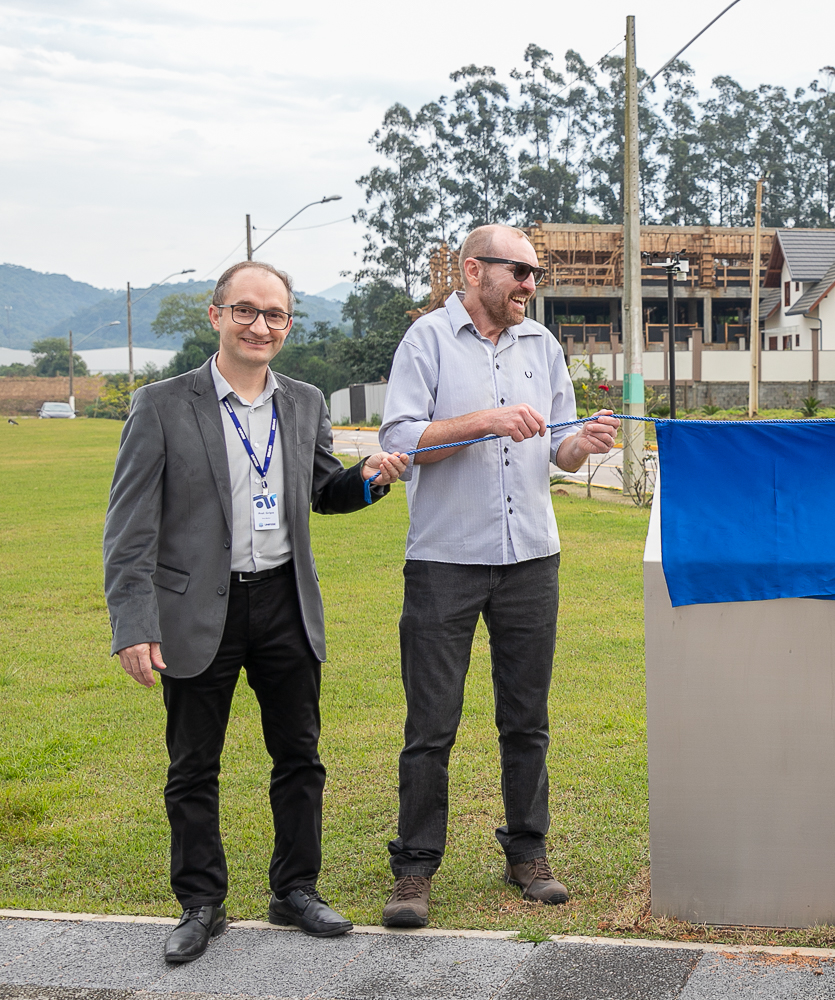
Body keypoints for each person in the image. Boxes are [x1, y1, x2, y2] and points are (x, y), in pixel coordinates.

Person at [102, 260, 409, 964]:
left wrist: (368, 481)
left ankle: (295, 889)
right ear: (216, 316)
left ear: (289, 326)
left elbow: (323, 492)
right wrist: (134, 624)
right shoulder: (160, 404)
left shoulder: (302, 402)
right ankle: (201, 902)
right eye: (245, 311)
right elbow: (129, 531)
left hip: (283, 602)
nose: (259, 325)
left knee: (299, 757)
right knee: (192, 766)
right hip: (194, 609)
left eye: (274, 315)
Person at [377, 224, 620, 927]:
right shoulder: (425, 340)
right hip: (444, 561)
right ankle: (415, 869)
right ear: (474, 269)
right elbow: (399, 442)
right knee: (431, 723)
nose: (530, 286)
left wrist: (584, 441)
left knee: (527, 720)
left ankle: (528, 853)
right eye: (519, 271)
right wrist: (486, 419)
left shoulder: (542, 346)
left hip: (531, 559)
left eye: (535, 274)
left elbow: (560, 450)